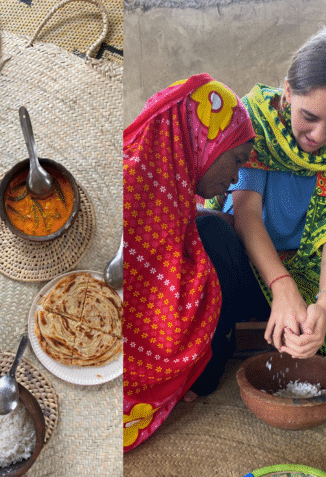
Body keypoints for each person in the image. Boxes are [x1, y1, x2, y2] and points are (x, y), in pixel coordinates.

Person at [123, 74, 255, 452]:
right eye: (236, 160)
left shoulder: (162, 181)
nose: (235, 177)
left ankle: (206, 370)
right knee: (214, 232)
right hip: (129, 360)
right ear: (202, 140)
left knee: (213, 227)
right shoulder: (133, 182)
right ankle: (199, 375)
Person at [193, 27, 326, 398]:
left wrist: (322, 305)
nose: (318, 136)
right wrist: (282, 288)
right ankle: (214, 349)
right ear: (287, 92)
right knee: (211, 235)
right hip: (252, 266)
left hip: (310, 270)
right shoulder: (256, 122)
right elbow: (247, 214)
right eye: (309, 116)